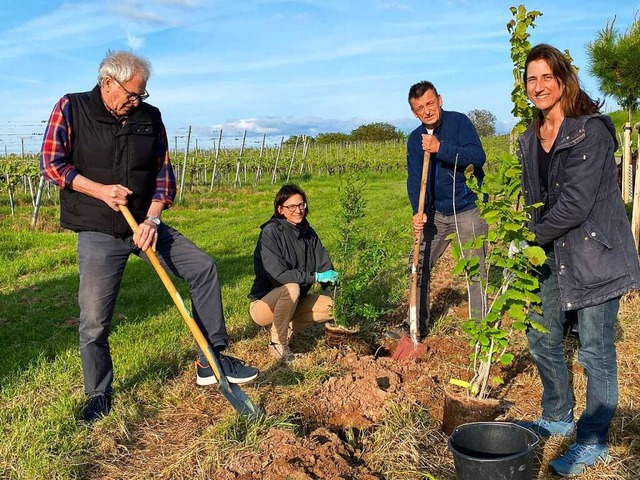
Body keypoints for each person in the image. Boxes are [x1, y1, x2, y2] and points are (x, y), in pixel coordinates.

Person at [39, 50, 258, 423]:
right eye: (132, 93)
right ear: (108, 82)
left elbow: (163, 175)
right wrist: (100, 190)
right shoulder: (72, 108)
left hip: (144, 224)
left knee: (202, 267)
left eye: (142, 94)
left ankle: (212, 357)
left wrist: (153, 220)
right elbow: (52, 164)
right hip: (98, 230)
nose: (137, 100)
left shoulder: (149, 118)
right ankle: (98, 392)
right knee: (94, 321)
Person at [516, 44, 640, 477]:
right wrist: (525, 238)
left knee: (595, 351)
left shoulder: (591, 131)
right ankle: (557, 413)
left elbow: (573, 205)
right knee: (541, 335)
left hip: (596, 254)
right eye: (531, 78)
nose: (539, 85)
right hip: (551, 254)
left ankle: (592, 440)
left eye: (547, 76)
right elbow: (538, 202)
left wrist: (525, 240)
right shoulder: (528, 139)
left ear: (564, 79)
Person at [394, 81, 487, 340]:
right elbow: (415, 179)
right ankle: (415, 325)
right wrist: (418, 210)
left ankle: (480, 330)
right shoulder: (415, 139)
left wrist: (440, 149)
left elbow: (478, 157)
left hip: (466, 208)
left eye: (430, 103)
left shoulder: (459, 123)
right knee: (418, 265)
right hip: (434, 213)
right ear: (414, 112)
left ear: (440, 100)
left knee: (475, 269)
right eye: (419, 107)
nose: (426, 110)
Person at [249, 184, 337, 362]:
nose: (298, 210)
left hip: (295, 302)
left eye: (301, 205)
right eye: (291, 207)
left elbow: (324, 264)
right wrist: (315, 277)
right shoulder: (270, 233)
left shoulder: (308, 233)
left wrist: (332, 283)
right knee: (291, 287)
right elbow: (280, 275)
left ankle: (286, 324)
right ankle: (277, 345)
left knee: (332, 307)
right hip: (265, 305)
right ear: (280, 209)